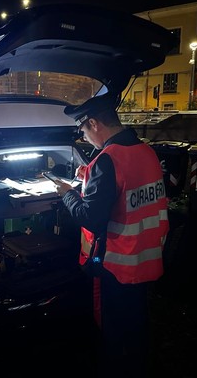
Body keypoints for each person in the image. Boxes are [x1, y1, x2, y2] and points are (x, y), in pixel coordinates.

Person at [54, 92, 169, 378]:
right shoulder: (146, 151)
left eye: (83, 130)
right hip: (148, 258)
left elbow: (90, 218)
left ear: (93, 123)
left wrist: (68, 194)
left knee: (114, 337)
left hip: (118, 267)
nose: (85, 137)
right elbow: (128, 192)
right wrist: (90, 176)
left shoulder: (109, 159)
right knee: (137, 329)